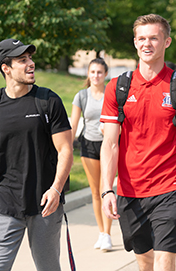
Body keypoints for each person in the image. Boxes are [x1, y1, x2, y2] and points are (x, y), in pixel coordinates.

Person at [99, 14, 176, 271]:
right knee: (145, 261)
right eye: (142, 38)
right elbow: (109, 144)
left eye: (154, 38)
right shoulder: (117, 88)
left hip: (170, 187)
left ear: (167, 42)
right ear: (134, 42)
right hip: (130, 191)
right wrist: (107, 189)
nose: (147, 44)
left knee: (165, 260)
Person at [0, 38, 73, 271]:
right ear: (5, 68)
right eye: (22, 60)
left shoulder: (48, 101)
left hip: (45, 202)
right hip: (5, 203)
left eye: (30, 58)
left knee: (48, 268)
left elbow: (65, 149)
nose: (31, 64)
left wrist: (56, 189)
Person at [69, 58, 113, 251]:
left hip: (108, 146)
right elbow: (73, 124)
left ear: (105, 75)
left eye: (99, 72)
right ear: (88, 73)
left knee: (107, 189)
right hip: (88, 146)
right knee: (95, 192)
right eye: (93, 72)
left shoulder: (111, 94)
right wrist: (67, 150)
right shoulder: (81, 96)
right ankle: (102, 233)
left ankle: (109, 235)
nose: (96, 76)